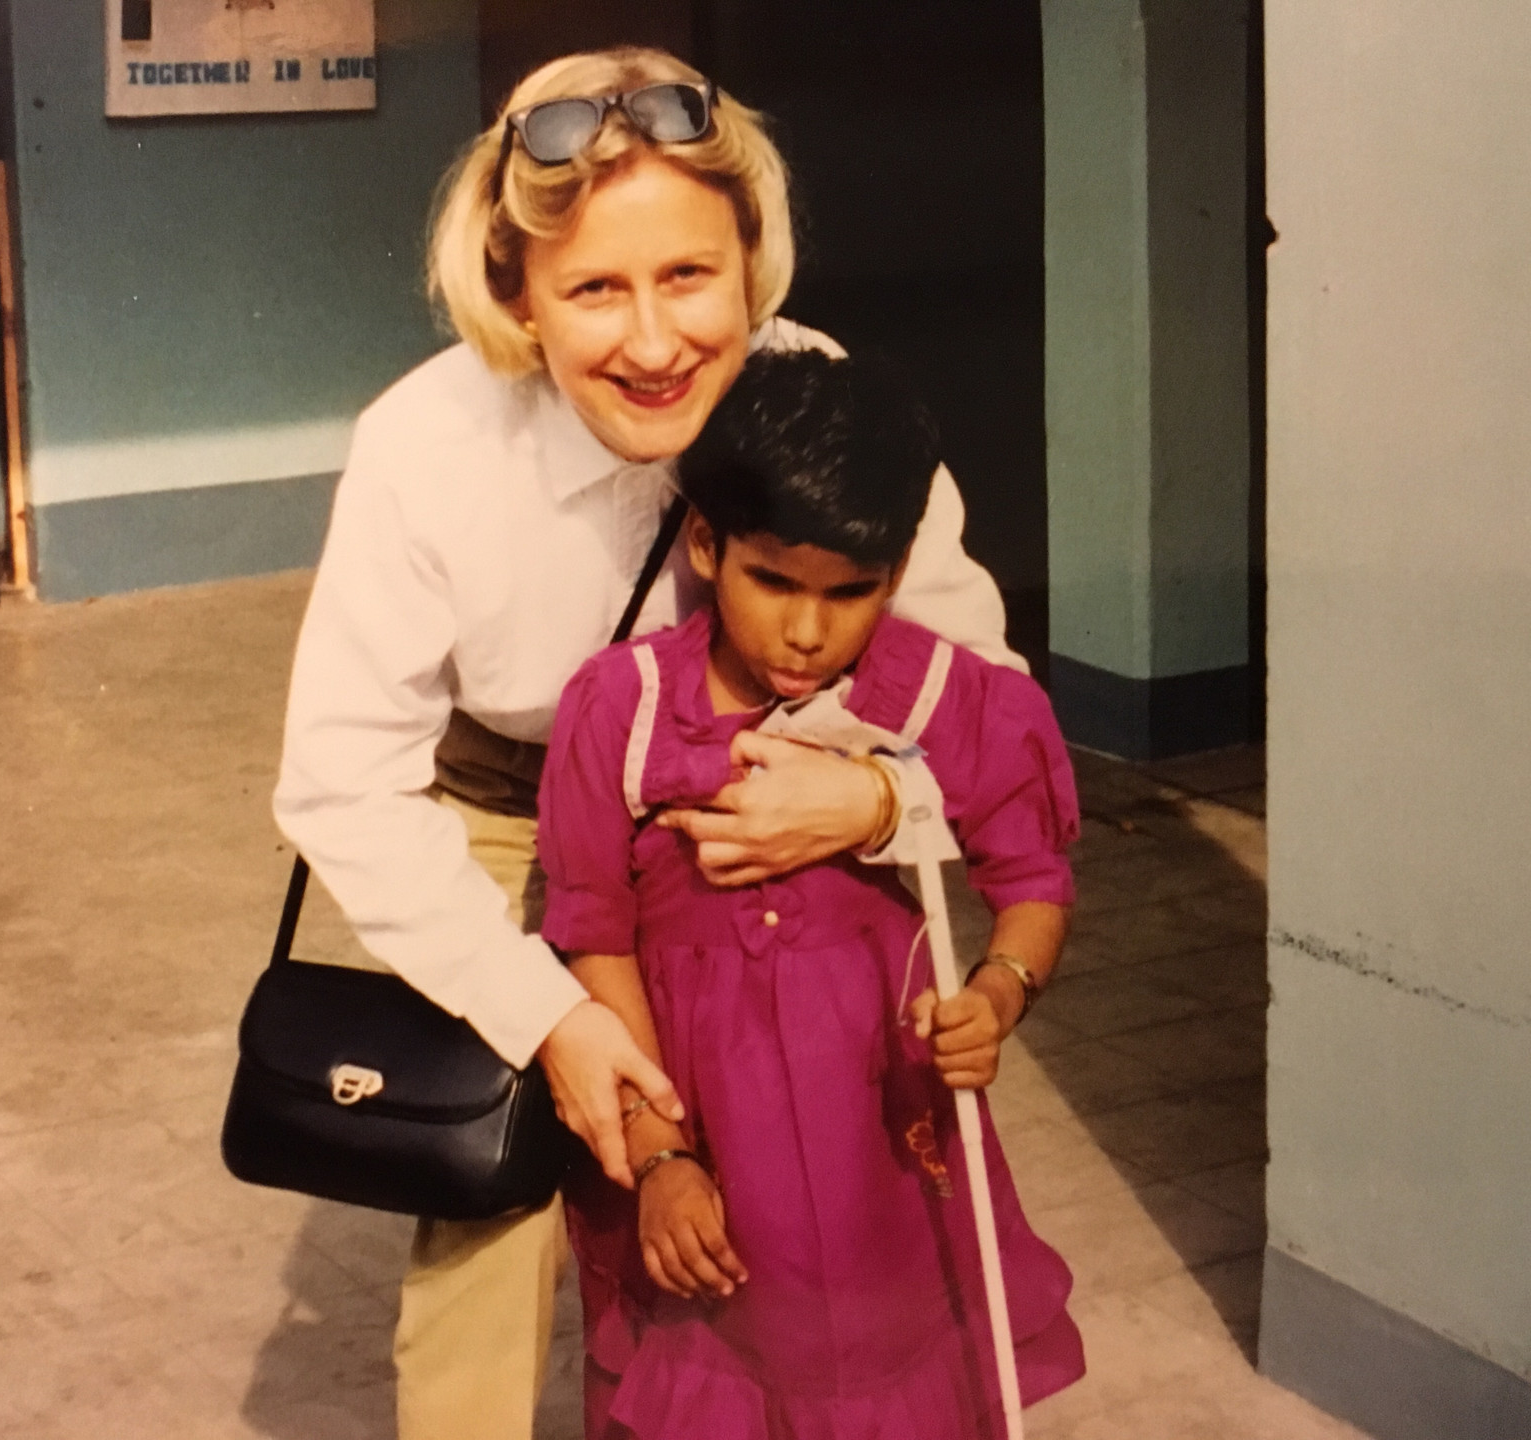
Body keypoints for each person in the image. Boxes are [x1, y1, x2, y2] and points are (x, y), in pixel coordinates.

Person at [274, 46, 1028, 1440]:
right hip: (510, 819)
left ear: (754, 262)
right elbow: (338, 782)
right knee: (498, 1220)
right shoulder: (425, 447)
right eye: (593, 290)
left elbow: (983, 694)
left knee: (816, 1190)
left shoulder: (822, 395)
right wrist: (546, 1015)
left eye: (689, 276)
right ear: (515, 293)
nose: (655, 341)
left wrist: (869, 802)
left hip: (768, 806)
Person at [537, 350, 1086, 1439]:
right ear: (706, 543)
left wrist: (999, 994)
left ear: (895, 572)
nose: (807, 631)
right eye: (773, 582)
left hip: (880, 1147)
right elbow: (591, 931)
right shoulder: (624, 711)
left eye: (851, 594)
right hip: (700, 1137)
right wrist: (659, 1157)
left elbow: (1032, 881)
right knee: (713, 1381)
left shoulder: (941, 694)